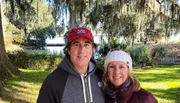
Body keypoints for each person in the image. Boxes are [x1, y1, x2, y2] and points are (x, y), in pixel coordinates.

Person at [37, 27, 105, 103]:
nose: (82, 50)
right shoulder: (53, 82)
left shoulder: (101, 76)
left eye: (86, 44)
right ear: (68, 50)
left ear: (92, 49)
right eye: (76, 44)